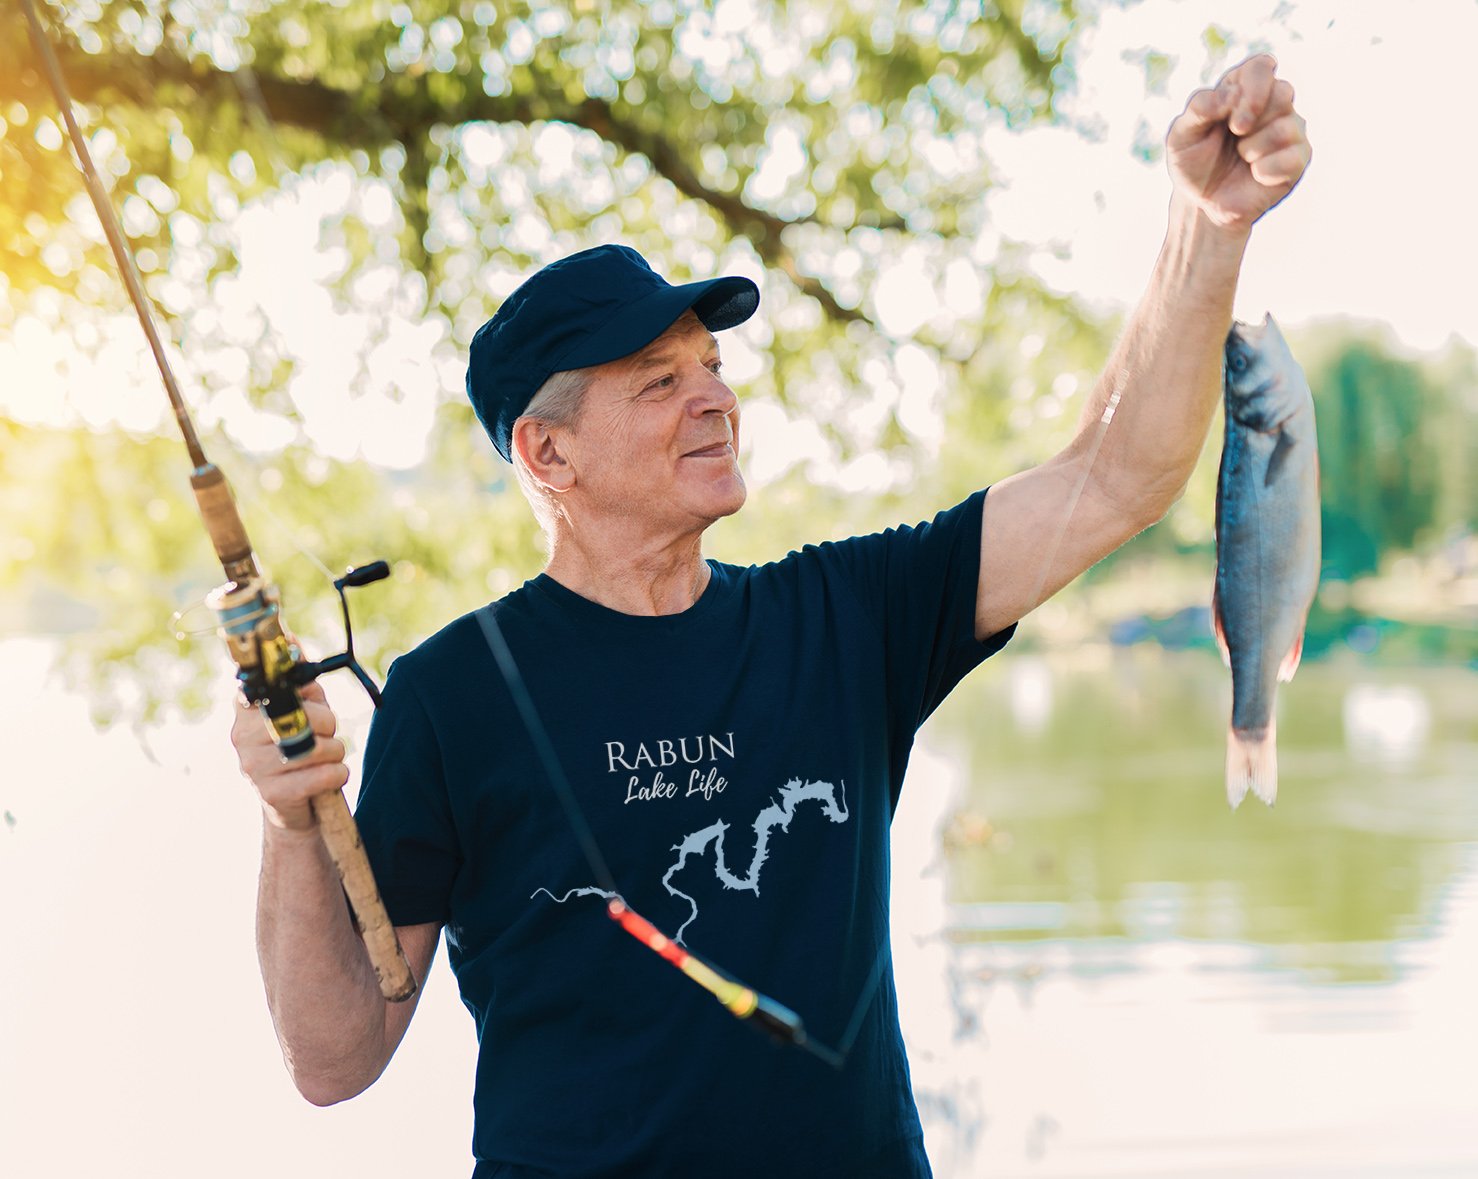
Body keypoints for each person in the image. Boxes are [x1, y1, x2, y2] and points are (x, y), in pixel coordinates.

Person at [234, 54, 1310, 1178]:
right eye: (657, 380)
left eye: (709, 365)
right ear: (546, 452)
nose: (714, 398)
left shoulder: (846, 617)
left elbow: (1118, 474)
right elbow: (334, 1057)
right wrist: (290, 822)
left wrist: (1205, 223)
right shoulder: (451, 692)